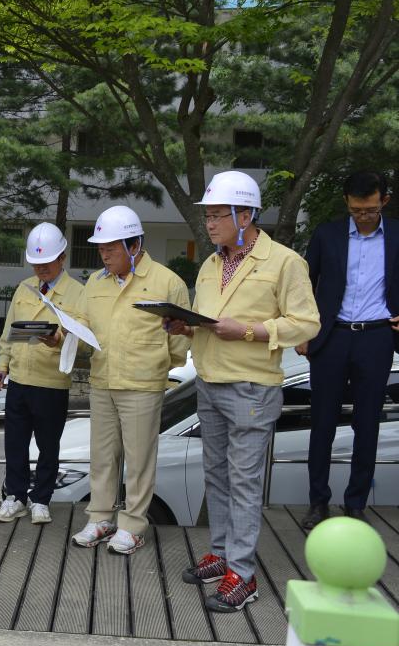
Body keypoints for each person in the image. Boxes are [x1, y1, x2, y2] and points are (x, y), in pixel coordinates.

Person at [168, 171, 319, 613]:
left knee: (245, 482)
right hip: (210, 381)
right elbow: (210, 319)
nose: (210, 223)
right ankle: (221, 553)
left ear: (245, 214)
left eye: (217, 215)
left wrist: (250, 330)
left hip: (252, 387)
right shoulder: (211, 263)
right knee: (215, 474)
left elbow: (307, 323)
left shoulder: (285, 261)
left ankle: (244, 575)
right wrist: (185, 323)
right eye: (209, 215)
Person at [70, 206, 190, 555]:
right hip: (102, 380)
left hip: (142, 384)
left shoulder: (167, 282)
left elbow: (179, 344)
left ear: (134, 245)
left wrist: (153, 366)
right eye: (101, 247)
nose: (103, 253)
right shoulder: (94, 282)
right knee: (102, 456)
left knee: (139, 460)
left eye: (111, 247)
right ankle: (101, 518)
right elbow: (81, 323)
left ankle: (134, 524)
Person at [297, 171, 398, 528]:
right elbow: (304, 285)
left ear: (383, 200)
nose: (364, 216)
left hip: (377, 337)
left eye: (370, 209)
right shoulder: (327, 234)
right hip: (332, 337)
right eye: (357, 210)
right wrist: (303, 330)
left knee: (367, 424)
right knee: (322, 423)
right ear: (347, 203)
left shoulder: (397, 234)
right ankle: (317, 503)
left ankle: (355, 504)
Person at [0, 223, 85, 525]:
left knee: (49, 445)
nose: (41, 269)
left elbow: (83, 339)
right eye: (36, 263)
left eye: (46, 263)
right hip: (19, 379)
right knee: (14, 443)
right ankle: (15, 497)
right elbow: (9, 331)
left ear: (62, 257)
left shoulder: (77, 293)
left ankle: (41, 499)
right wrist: (3, 365)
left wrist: (58, 339)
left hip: (51, 381)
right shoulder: (24, 288)